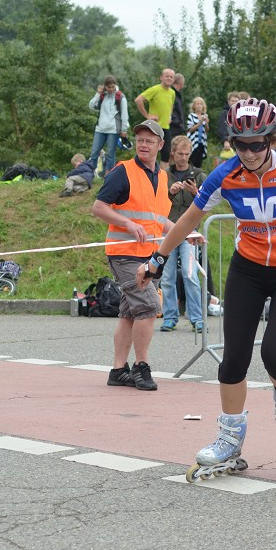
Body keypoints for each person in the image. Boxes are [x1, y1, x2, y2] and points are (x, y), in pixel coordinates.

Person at [137, 98, 276, 477]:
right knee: (233, 359)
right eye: (241, 144)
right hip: (248, 270)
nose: (250, 152)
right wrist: (156, 260)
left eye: (257, 144)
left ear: (271, 140)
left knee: (273, 354)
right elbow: (189, 219)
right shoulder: (225, 174)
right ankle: (229, 440)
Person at [91, 119, 173, 392]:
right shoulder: (122, 171)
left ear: (161, 145)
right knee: (149, 306)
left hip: (149, 256)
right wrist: (128, 224)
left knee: (129, 313)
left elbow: (159, 220)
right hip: (124, 254)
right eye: (140, 139)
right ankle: (141, 366)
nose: (144, 144)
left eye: (150, 140)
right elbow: (99, 208)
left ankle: (117, 370)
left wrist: (187, 232)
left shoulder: (162, 177)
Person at [160, 135, 207, 333]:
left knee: (191, 275)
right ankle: (170, 317)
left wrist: (196, 192)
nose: (183, 158)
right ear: (173, 153)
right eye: (180, 154)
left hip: (190, 231)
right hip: (168, 230)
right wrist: (169, 193)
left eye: (187, 154)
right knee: (167, 277)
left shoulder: (199, 174)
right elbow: (157, 203)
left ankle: (197, 318)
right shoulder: (164, 174)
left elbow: (208, 202)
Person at [134, 68, 176, 169]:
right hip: (154, 127)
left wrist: (169, 116)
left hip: (165, 127)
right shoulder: (155, 89)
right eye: (167, 76)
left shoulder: (172, 93)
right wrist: (147, 116)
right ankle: (145, 174)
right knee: (149, 152)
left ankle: (162, 180)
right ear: (161, 77)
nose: (169, 78)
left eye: (171, 77)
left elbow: (170, 105)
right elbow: (138, 100)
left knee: (166, 154)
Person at [88, 75, 129, 177]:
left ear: (115, 85)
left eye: (112, 87)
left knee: (110, 154)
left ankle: (108, 176)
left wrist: (124, 129)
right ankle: (89, 173)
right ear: (105, 86)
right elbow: (91, 106)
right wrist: (98, 93)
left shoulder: (120, 97)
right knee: (94, 152)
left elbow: (124, 114)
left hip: (113, 130)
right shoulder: (102, 96)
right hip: (100, 128)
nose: (111, 89)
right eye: (109, 87)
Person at [186, 96, 209, 170]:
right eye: (197, 104)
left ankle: (197, 179)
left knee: (199, 163)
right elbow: (190, 129)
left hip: (201, 142)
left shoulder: (204, 116)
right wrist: (200, 123)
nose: (199, 105)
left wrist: (206, 123)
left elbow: (207, 130)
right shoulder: (191, 116)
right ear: (194, 106)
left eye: (201, 104)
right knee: (191, 161)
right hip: (192, 142)